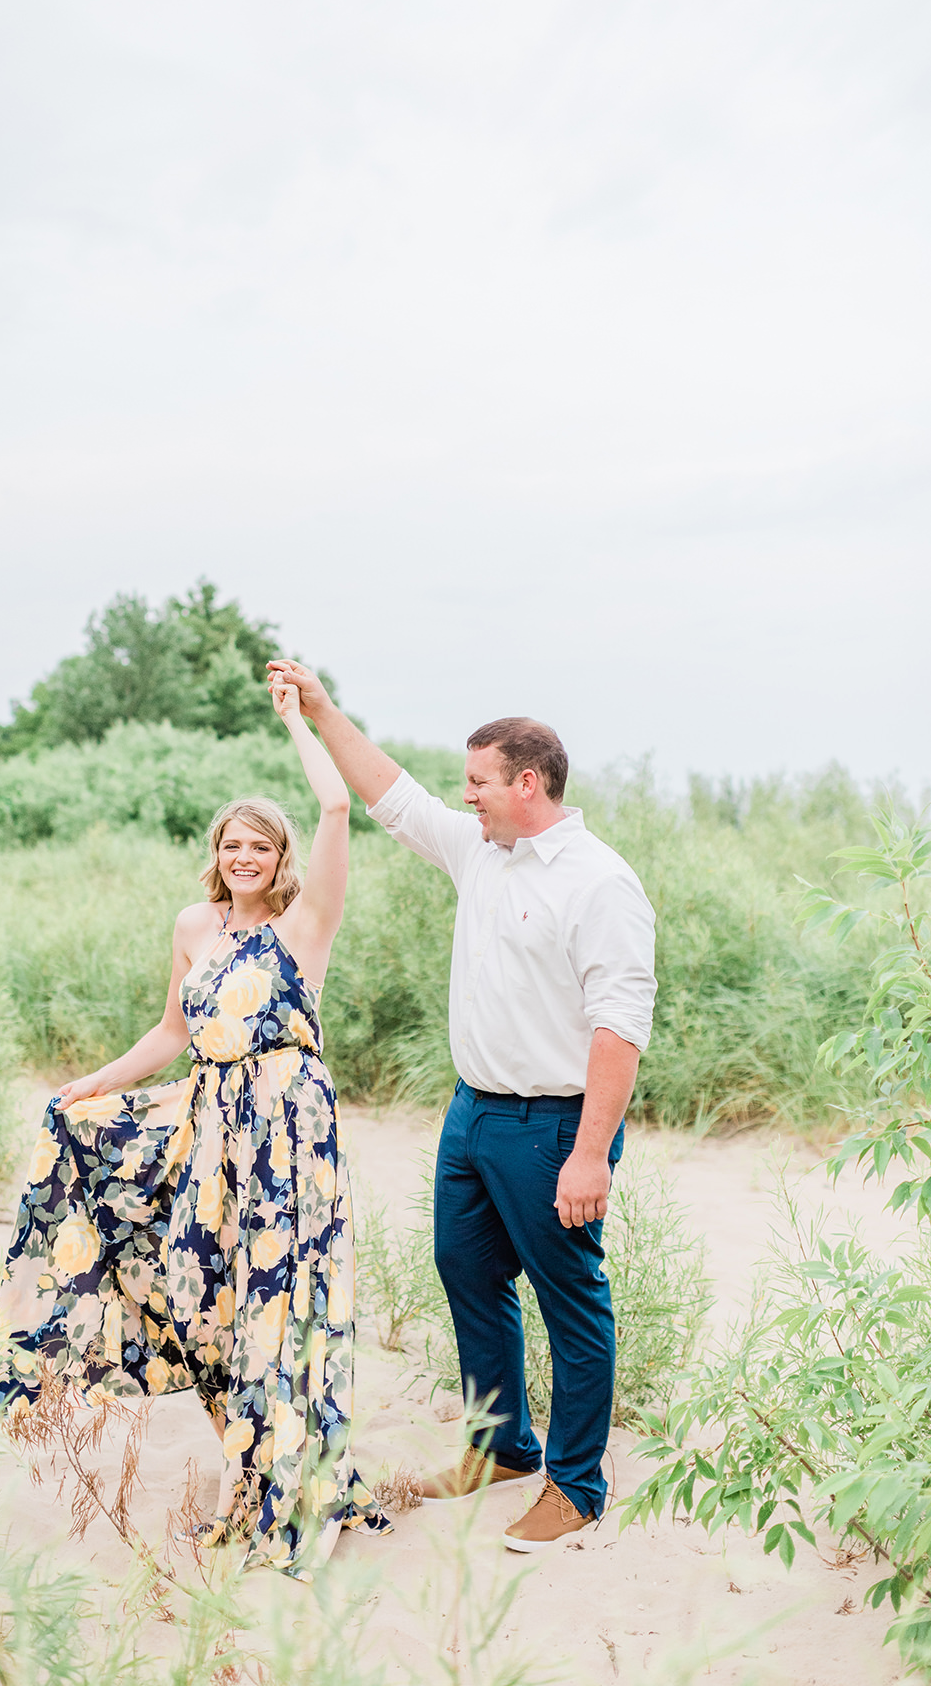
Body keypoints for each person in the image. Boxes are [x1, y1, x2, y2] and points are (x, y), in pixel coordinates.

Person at [0, 676, 392, 1580]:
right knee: (201, 1296)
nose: (244, 855)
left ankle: (271, 1490)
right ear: (215, 853)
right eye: (231, 843)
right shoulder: (193, 926)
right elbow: (171, 1033)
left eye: (260, 844)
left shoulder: (304, 927)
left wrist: (298, 717)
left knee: (280, 1309)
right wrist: (88, 1084)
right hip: (210, 1130)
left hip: (290, 1141)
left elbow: (335, 801)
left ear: (281, 856)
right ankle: (246, 1468)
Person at [266, 660, 657, 1551]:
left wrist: (589, 1153)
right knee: (466, 1273)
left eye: (476, 782)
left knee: (571, 1303)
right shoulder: (480, 849)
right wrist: (321, 710)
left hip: (553, 1126)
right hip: (472, 1114)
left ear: (527, 783)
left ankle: (578, 1486)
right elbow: (389, 793)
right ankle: (500, 1449)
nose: (464, 797)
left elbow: (618, 1028)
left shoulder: (599, 883)